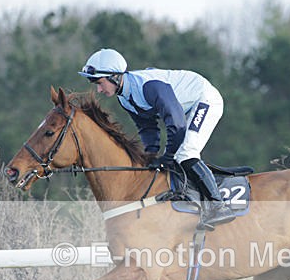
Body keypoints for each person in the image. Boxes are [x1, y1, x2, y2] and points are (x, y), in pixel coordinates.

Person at [79, 48, 235, 229]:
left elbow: (176, 125)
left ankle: (218, 206)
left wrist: (167, 157)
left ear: (114, 76)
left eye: (99, 82)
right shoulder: (124, 98)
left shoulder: (149, 86)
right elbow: (147, 128)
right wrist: (150, 157)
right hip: (186, 107)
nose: (98, 89)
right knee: (177, 155)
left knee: (185, 153)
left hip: (205, 99)